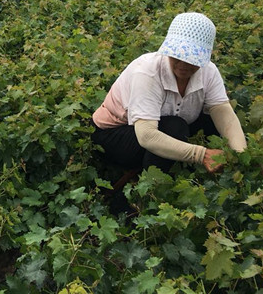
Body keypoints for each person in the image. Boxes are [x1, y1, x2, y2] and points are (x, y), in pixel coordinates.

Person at [91, 13, 247, 179]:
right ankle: (154, 187)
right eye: (178, 56)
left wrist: (241, 155)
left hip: (165, 122)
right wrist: (201, 155)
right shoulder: (147, 72)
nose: (183, 65)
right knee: (175, 127)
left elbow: (222, 111)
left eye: (192, 59)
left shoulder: (209, 71)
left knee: (213, 122)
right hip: (113, 136)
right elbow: (146, 135)